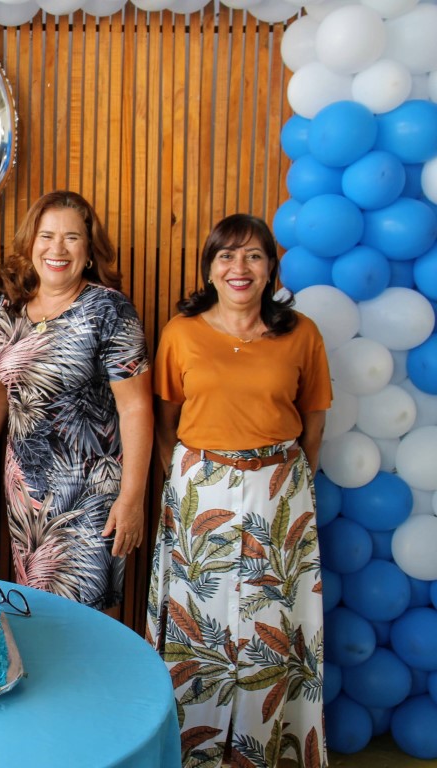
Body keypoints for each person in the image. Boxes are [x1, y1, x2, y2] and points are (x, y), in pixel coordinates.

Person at [146, 214, 331, 766]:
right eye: (226, 255)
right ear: (209, 268)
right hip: (200, 491)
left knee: (271, 625)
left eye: (253, 255)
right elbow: (165, 422)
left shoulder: (301, 333)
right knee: (198, 624)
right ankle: (191, 751)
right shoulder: (182, 333)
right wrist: (188, 484)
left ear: (271, 267)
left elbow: (314, 422)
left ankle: (267, 751)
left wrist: (288, 487)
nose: (239, 267)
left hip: (279, 490)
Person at [0, 191, 152, 611]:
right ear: (31, 244)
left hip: (91, 497)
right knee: (37, 613)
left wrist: (132, 499)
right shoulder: (7, 309)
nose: (57, 249)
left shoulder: (109, 310)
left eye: (72, 237)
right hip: (26, 497)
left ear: (89, 250)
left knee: (87, 621)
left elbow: (136, 407)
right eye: (47, 236)